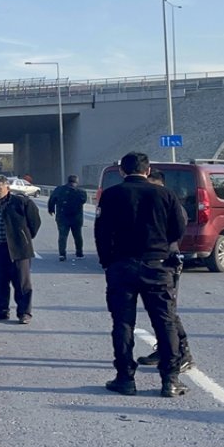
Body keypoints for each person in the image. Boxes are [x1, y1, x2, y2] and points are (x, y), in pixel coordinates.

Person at [94, 152, 189, 398]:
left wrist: (107, 261)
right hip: (157, 265)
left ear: (122, 172)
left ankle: (125, 378)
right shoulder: (165, 194)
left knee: (123, 323)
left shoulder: (111, 195)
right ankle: (170, 379)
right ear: (147, 171)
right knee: (165, 322)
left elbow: (101, 232)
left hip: (121, 265)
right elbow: (178, 229)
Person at [136, 167, 193, 373]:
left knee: (168, 311)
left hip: (166, 260)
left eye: (149, 183)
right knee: (158, 311)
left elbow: (175, 232)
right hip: (151, 261)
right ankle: (165, 349)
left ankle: (183, 353)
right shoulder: (151, 203)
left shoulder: (171, 204)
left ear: (158, 182)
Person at [0, 174, 42, 324]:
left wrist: (23, 238)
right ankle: (0, 311)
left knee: (21, 283)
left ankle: (24, 313)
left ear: (7, 188)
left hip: (18, 250)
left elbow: (34, 222)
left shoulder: (20, 202)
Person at [47, 174, 88, 260]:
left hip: (62, 216)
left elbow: (52, 199)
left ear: (68, 181)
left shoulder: (59, 189)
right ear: (77, 181)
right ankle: (79, 253)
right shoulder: (81, 191)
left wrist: (51, 209)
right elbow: (83, 200)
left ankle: (62, 254)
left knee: (62, 236)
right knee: (77, 235)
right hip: (76, 217)